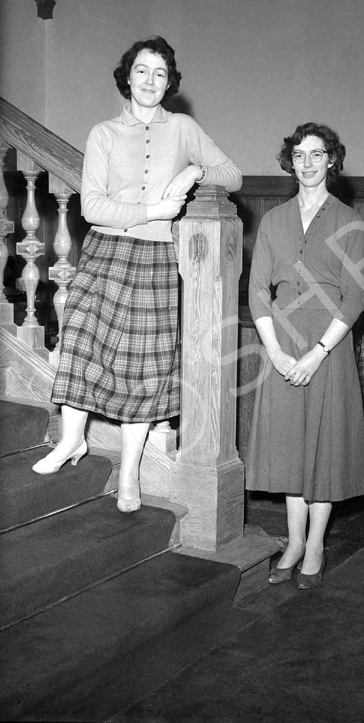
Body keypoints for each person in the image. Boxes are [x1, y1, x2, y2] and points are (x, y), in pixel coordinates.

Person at [32, 36, 242, 514]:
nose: (150, 81)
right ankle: (71, 440)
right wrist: (154, 207)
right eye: (142, 71)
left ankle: (129, 473)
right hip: (106, 251)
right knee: (81, 340)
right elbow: (93, 206)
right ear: (127, 77)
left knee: (143, 369)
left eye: (160, 74)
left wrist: (192, 175)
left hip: (156, 259)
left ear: (170, 83)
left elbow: (232, 174)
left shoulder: (184, 127)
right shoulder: (103, 133)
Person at [246, 122, 364, 589]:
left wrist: (317, 353)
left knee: (324, 447)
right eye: (299, 155)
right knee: (290, 448)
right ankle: (293, 542)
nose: (308, 163)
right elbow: (259, 290)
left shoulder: (349, 222)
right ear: (290, 161)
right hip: (281, 340)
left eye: (317, 154)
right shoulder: (274, 220)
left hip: (328, 346)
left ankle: (315, 544)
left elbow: (355, 298)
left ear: (332, 161)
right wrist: (274, 351)